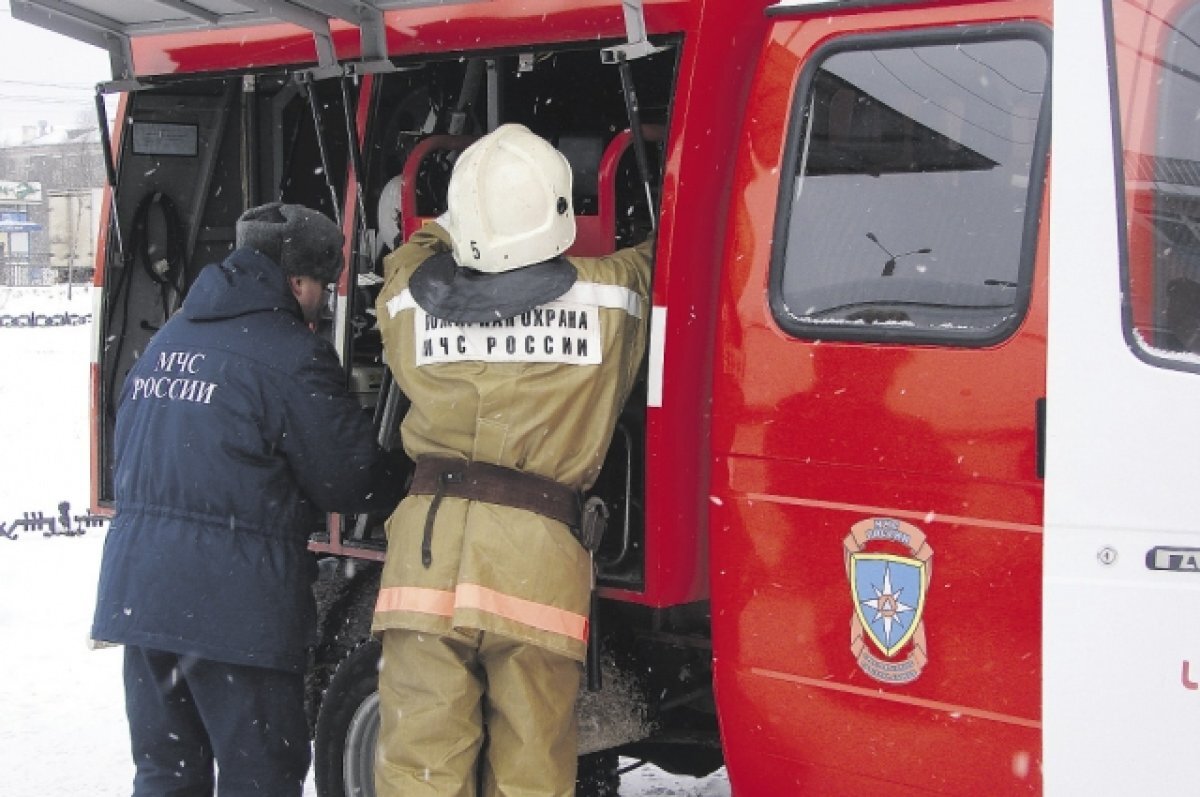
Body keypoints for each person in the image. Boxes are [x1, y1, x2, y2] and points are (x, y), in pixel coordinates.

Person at [372, 123, 654, 796]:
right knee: (531, 775)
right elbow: (662, 254)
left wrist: (447, 227)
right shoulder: (613, 297)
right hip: (535, 572)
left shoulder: (409, 301)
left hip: (426, 560)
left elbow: (405, 259)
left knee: (418, 773)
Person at [91, 202, 404, 797]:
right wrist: (408, 468)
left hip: (144, 600)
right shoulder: (289, 354)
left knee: (167, 773)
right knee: (259, 776)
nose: (324, 305)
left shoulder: (169, 338)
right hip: (235, 607)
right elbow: (352, 481)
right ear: (296, 280)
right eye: (322, 288)